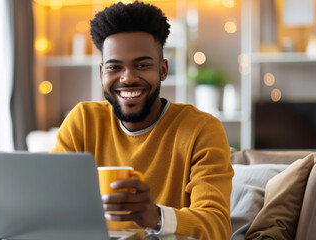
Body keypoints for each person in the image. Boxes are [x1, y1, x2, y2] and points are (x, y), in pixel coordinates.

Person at [52, 1, 234, 240]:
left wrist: (155, 216)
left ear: (163, 69)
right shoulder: (82, 120)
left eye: (142, 65)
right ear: (101, 73)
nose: (127, 78)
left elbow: (217, 226)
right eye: (114, 67)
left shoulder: (202, 129)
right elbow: (50, 200)